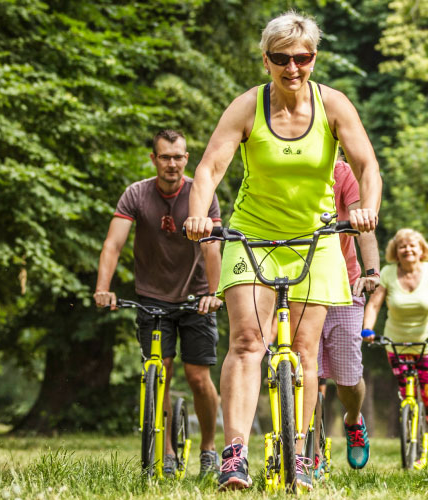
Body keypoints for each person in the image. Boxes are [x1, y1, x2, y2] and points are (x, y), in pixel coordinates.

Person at [180, 11, 384, 492]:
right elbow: (210, 167)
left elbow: (367, 163)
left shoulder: (333, 105)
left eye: (303, 58)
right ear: (266, 59)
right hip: (252, 238)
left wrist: (366, 208)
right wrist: (197, 213)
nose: (293, 68)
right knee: (249, 342)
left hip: (316, 240)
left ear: (314, 57)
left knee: (307, 353)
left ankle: (300, 451)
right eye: (281, 59)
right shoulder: (247, 107)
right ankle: (234, 455)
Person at [93, 129, 227, 477]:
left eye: (178, 157)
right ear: (153, 159)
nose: (172, 164)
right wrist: (102, 288)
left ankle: (209, 449)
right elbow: (113, 245)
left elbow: (212, 246)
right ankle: (166, 451)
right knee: (160, 372)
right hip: (152, 298)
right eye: (165, 157)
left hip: (196, 296)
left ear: (187, 158)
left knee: (198, 377)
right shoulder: (136, 194)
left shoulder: (202, 194)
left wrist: (214, 293)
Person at [360, 229, 428, 465]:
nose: (408, 249)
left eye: (413, 245)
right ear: (396, 251)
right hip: (397, 343)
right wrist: (368, 329)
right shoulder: (388, 273)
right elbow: (374, 305)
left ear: (421, 249)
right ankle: (409, 429)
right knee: (406, 393)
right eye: (402, 246)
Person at [315, 159, 381, 470]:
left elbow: (362, 223)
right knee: (307, 375)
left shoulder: (342, 174)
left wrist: (372, 272)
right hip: (300, 281)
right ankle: (310, 451)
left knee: (348, 377)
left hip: (344, 282)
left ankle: (353, 420)